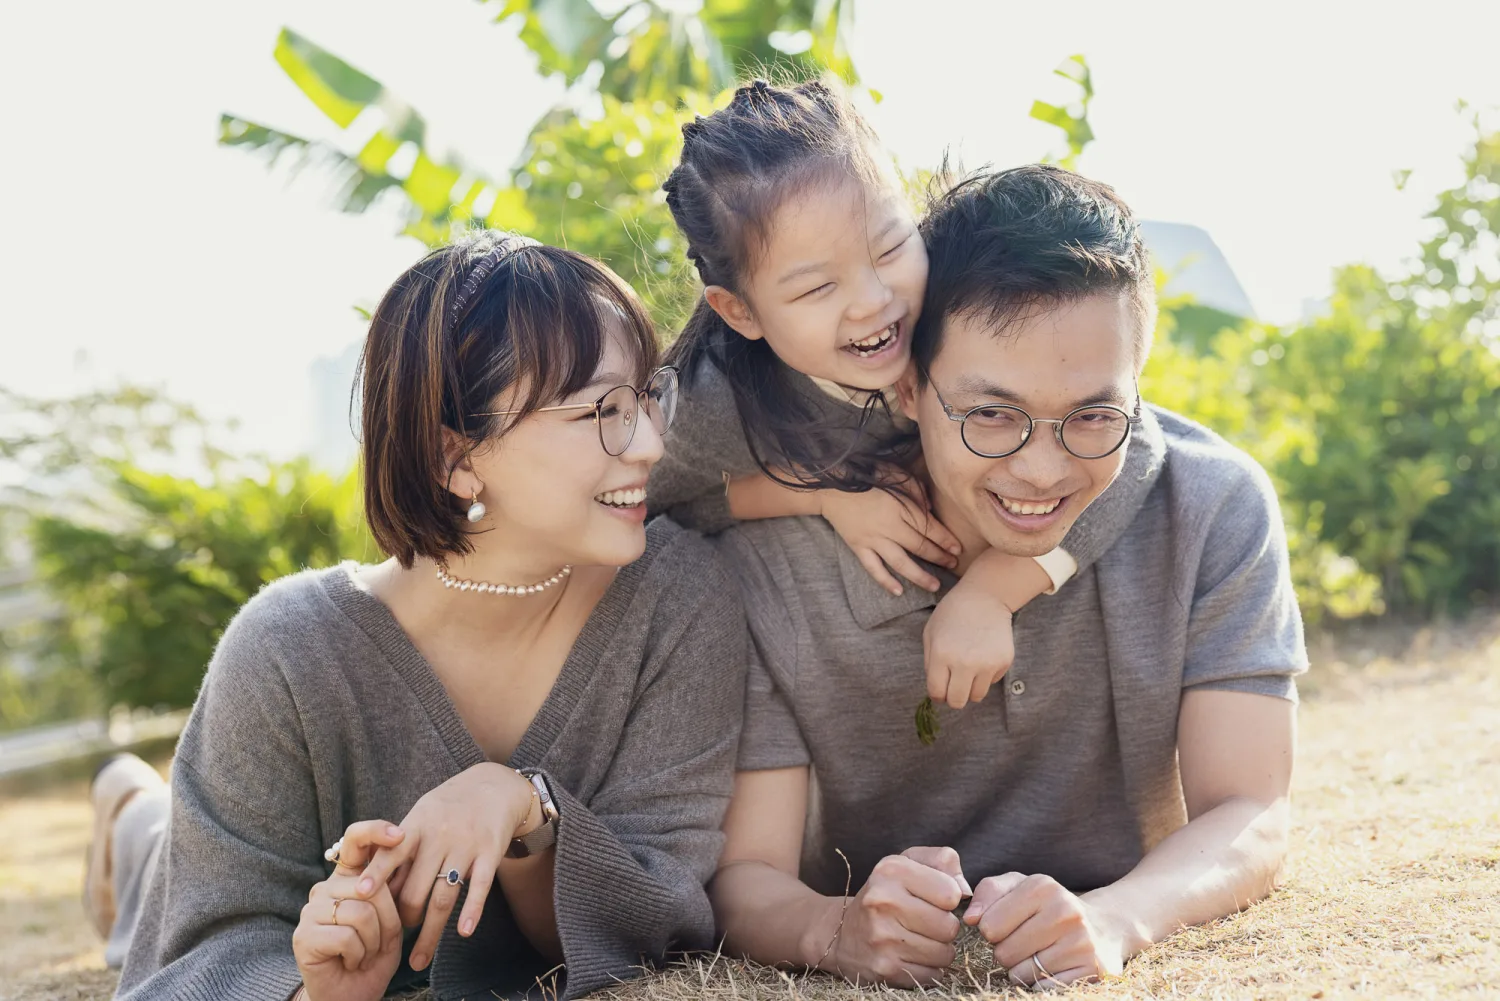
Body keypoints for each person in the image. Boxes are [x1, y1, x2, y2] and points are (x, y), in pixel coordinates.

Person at [83, 233, 748, 1001]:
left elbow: (660, 914)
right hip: (191, 857)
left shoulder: (676, 596)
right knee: (159, 859)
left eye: (645, 397)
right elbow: (196, 948)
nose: (651, 443)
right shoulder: (285, 653)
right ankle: (132, 813)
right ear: (454, 458)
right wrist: (314, 993)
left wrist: (525, 808)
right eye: (603, 410)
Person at [710, 164, 1307, 988]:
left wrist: (1118, 915)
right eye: (992, 414)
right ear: (909, 387)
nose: (1042, 469)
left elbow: (1250, 809)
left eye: (1093, 415)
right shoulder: (777, 562)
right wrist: (834, 927)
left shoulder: (1213, 506)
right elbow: (746, 876)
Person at [651, 79, 1149, 714]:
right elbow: (646, 509)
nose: (873, 301)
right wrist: (824, 495)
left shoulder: (950, 303)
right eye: (816, 289)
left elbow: (1132, 441)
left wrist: (996, 589)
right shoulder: (715, 399)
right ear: (739, 311)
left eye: (889, 248)